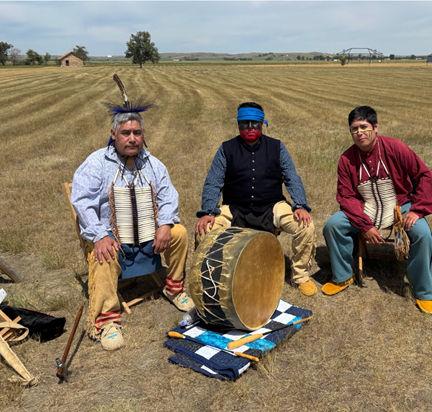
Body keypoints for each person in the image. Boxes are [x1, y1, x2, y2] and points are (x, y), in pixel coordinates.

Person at [71, 87, 193, 350]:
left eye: (137, 133)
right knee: (102, 253)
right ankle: (107, 321)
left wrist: (165, 224)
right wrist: (100, 235)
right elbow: (82, 202)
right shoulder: (96, 164)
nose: (132, 139)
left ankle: (173, 287)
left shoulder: (153, 164)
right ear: (113, 134)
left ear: (143, 135)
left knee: (180, 232)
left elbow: (169, 197)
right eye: (125, 133)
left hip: (150, 234)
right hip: (112, 238)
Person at [322, 106, 432, 314]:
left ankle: (423, 292)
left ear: (376, 127)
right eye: (354, 129)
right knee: (333, 225)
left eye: (364, 127)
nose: (359, 133)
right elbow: (346, 196)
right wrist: (364, 224)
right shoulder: (346, 159)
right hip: (365, 207)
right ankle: (343, 276)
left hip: (400, 206)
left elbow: (424, 175)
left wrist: (418, 210)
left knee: (422, 235)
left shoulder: (396, 147)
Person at [195, 102, 318, 296]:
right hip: (235, 207)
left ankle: (300, 276)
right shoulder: (226, 149)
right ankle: (214, 279)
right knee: (205, 230)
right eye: (245, 123)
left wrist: (300, 205)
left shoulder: (277, 147)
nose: (250, 127)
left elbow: (292, 177)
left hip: (272, 206)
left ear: (262, 124)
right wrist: (209, 211)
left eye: (254, 123)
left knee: (305, 226)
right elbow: (213, 181)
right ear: (238, 125)